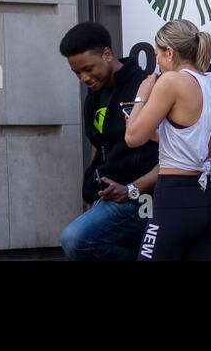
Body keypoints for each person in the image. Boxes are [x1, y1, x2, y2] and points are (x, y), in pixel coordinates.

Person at [125, 19, 211, 260]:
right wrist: (154, 133)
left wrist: (141, 97)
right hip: (207, 203)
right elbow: (196, 143)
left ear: (170, 52)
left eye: (158, 56)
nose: (158, 64)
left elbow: (132, 138)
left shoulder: (172, 81)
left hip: (174, 201)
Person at [59, 22, 159, 259]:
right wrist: (91, 199)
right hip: (107, 199)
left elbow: (172, 152)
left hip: (142, 201)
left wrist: (132, 189)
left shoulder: (144, 87)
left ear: (107, 54)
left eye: (88, 69)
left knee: (74, 239)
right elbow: (98, 146)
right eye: (77, 73)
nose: (84, 77)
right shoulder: (95, 95)